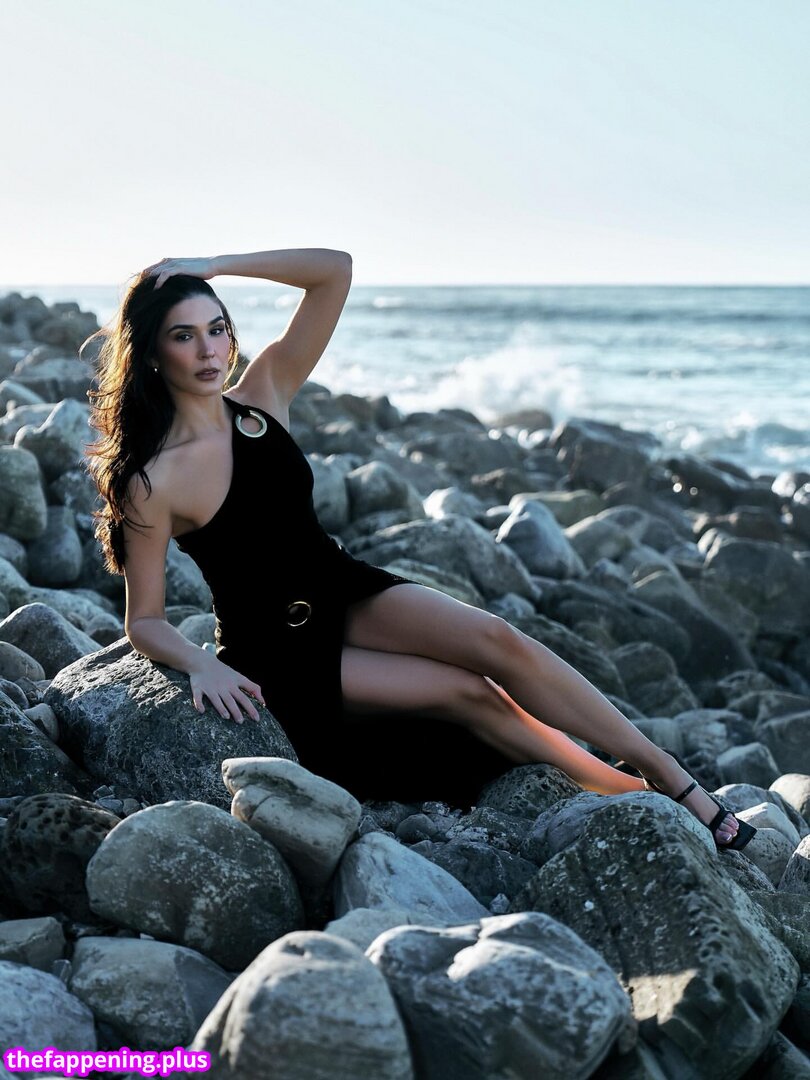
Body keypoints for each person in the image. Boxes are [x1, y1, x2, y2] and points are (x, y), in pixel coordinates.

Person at [84, 247, 755, 850]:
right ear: (153, 354)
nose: (208, 351)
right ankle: (633, 794)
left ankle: (667, 773)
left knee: (498, 640)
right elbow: (144, 621)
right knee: (468, 693)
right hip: (279, 651)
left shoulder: (262, 395)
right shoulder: (152, 479)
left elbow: (334, 271)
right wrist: (201, 663)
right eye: (184, 336)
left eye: (217, 329)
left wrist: (216, 264)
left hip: (342, 585)